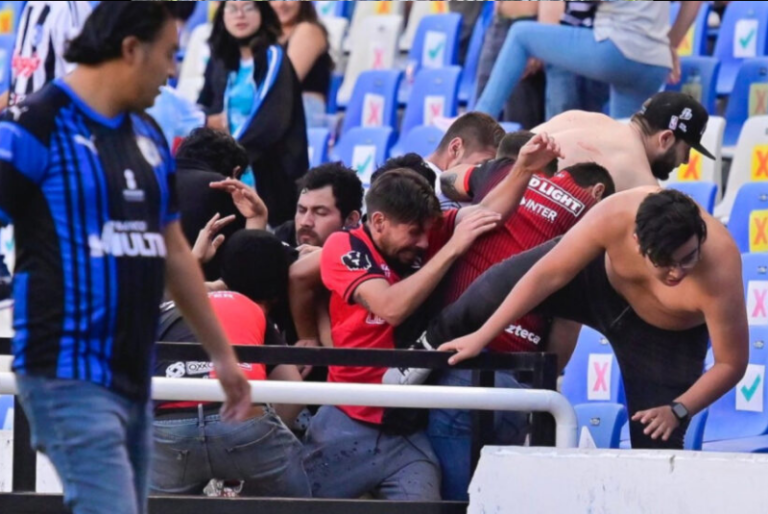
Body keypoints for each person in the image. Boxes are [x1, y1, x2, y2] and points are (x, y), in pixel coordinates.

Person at [0, 4, 252, 514]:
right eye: (168, 54)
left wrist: (223, 356)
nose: (173, 70)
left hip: (134, 378)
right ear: (131, 49)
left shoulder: (150, 137)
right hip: (66, 372)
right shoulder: (34, 124)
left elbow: (175, 251)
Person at [304, 134, 563, 500]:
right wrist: (453, 249)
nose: (425, 243)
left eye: (429, 232)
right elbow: (392, 308)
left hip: (408, 428)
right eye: (414, 233)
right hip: (349, 417)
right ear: (378, 222)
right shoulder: (344, 246)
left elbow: (487, 213)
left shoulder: (425, 229)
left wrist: (523, 167)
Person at [424, 188, 748, 451]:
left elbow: (730, 364)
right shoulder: (616, 213)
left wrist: (679, 408)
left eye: (688, 258)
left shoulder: (720, 269)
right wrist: (482, 335)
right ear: (637, 242)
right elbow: (547, 275)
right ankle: (419, 353)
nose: (678, 272)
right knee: (492, 288)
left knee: (656, 442)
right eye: (665, 263)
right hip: (597, 285)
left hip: (662, 340)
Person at [388, 134, 615, 501]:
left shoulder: (499, 171)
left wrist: (466, 202)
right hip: (515, 384)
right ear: (599, 191)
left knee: (456, 502)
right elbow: (564, 334)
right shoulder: (595, 224)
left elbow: (447, 178)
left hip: (456, 372)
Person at [151, 230, 310, 498]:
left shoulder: (164, 304)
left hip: (169, 425)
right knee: (296, 505)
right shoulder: (250, 308)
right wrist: (261, 434)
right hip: (241, 420)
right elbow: (293, 390)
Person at [475, 1, 704, 119]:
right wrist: (670, 45)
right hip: (653, 64)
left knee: (521, 34)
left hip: (614, 51)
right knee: (625, 149)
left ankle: (476, 123)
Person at [203, 1, 308, 226]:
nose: (240, 15)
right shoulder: (221, 60)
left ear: (262, 12)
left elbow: (271, 120)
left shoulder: (273, 56)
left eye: (249, 7)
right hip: (232, 170)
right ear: (222, 15)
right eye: (232, 8)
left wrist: (229, 155)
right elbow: (206, 105)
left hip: (267, 173)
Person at [531, 91, 716, 192]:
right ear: (665, 139)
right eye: (686, 150)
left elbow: (512, 148)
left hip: (504, 191)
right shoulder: (641, 183)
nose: (686, 161)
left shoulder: (579, 116)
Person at [174, 128, 253, 280]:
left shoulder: (150, 178)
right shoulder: (225, 188)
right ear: (235, 173)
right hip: (202, 294)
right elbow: (246, 263)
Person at [4, 1, 93, 108]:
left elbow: (82, 84)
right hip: (21, 120)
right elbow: (22, 87)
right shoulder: (32, 4)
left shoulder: (68, 8)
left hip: (47, 121)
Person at [475, 0, 545, 128]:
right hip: (498, 22)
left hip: (528, 21)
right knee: (478, 115)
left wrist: (541, 35)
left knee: (518, 120)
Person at [270, 0, 333, 128]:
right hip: (273, 111)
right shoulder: (266, 36)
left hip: (303, 112)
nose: (281, 4)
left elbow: (284, 82)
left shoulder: (308, 30)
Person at [275, 162, 364, 250]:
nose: (305, 222)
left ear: (351, 220)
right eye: (302, 210)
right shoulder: (283, 237)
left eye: (320, 213)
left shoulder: (366, 258)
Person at [426, 112, 505, 210]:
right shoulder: (444, 197)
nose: (484, 174)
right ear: (455, 148)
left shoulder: (407, 170)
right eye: (480, 166)